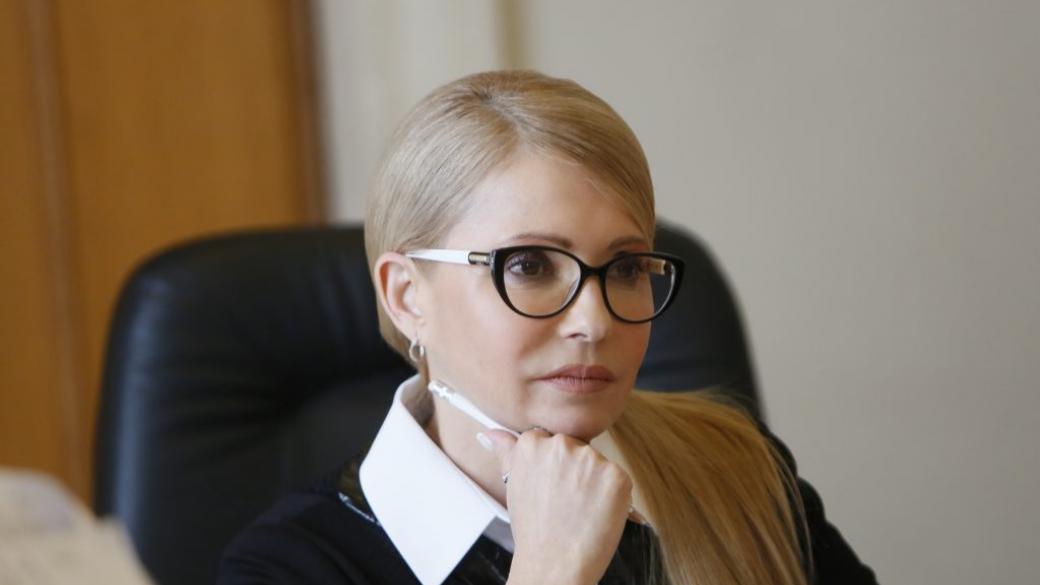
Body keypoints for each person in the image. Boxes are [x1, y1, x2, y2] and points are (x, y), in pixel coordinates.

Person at [219, 70, 877, 585]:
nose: (593, 321)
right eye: (530, 265)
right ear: (407, 295)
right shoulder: (287, 567)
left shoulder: (738, 469)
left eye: (626, 267)